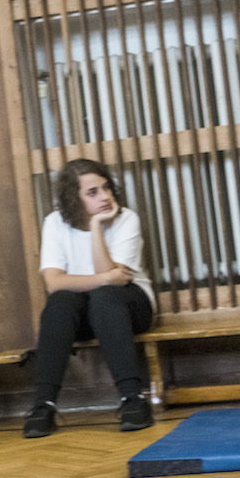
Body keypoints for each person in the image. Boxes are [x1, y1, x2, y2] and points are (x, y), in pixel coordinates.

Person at [23, 159, 156, 439]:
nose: (105, 196)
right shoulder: (55, 223)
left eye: (106, 188)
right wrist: (107, 278)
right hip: (83, 312)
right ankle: (43, 406)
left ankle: (132, 399)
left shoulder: (126, 219)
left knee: (105, 297)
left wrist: (96, 226)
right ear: (74, 198)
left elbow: (114, 279)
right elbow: (53, 282)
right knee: (60, 302)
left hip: (130, 307)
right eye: (93, 192)